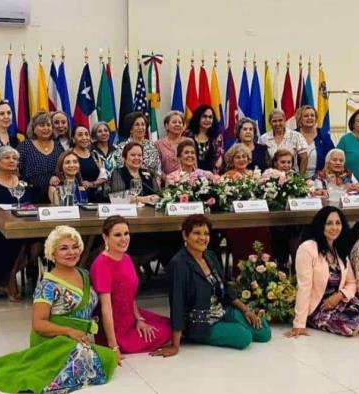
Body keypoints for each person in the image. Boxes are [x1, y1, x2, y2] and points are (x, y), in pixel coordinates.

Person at [0, 225, 118, 393]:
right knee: (86, 357)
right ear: (53, 253)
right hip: (52, 340)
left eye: (75, 247)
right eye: (64, 248)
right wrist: (69, 331)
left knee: (107, 357)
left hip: (76, 339)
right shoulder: (48, 285)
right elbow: (38, 324)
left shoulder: (84, 274)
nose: (71, 252)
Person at [151, 215, 271, 356]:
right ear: (185, 235)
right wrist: (175, 345)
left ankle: (233, 324)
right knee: (245, 338)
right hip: (201, 323)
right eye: (197, 233)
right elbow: (177, 303)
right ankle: (214, 333)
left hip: (222, 311)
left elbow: (225, 288)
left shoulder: (210, 256)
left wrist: (246, 310)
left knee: (264, 333)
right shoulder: (179, 264)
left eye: (206, 233)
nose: (203, 238)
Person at [286, 207, 359, 337]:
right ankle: (313, 320)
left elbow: (351, 282)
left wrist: (340, 295)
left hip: (339, 300)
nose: (334, 227)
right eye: (329, 223)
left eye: (338, 223)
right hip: (319, 306)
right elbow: (304, 286)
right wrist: (299, 324)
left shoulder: (339, 249)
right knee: (352, 329)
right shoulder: (308, 248)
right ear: (321, 225)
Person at [91, 216, 172, 355]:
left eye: (126, 233)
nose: (124, 239)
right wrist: (114, 346)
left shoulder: (126, 258)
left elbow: (130, 294)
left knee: (174, 325)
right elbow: (106, 309)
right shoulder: (102, 265)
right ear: (105, 237)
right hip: (116, 330)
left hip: (131, 316)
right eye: (117, 235)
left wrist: (139, 319)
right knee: (168, 332)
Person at [0, 146, 32, 302]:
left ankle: (9, 276)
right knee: (17, 244)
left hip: (23, 226)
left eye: (14, 158)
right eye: (7, 158)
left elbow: (29, 205)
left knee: (38, 243)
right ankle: (10, 282)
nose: (12, 161)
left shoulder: (22, 183)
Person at [222, 144, 273, 274]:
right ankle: (242, 276)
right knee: (242, 234)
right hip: (237, 222)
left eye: (244, 157)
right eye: (237, 157)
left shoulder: (254, 175)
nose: (241, 160)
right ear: (231, 160)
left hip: (256, 219)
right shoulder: (227, 177)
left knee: (265, 231)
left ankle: (264, 274)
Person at [17, 111, 64, 203]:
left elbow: (63, 169)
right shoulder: (25, 146)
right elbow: (18, 172)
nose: (46, 128)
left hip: (55, 196)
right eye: (42, 125)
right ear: (33, 128)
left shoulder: (58, 146)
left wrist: (57, 178)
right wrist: (47, 179)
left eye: (48, 125)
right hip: (30, 195)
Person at [270, 148, 304, 271]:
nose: (286, 165)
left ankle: (297, 268)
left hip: (293, 220)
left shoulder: (296, 176)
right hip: (275, 220)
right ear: (275, 163)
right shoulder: (268, 176)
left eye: (289, 162)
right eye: (283, 162)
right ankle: (281, 267)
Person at [259, 109, 308, 176]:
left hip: (291, 177)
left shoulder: (296, 136)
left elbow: (304, 158)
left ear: (285, 120)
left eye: (280, 120)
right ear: (270, 122)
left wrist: (301, 178)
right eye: (274, 121)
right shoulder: (263, 138)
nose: (278, 123)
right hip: (271, 178)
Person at [115, 112, 162, 177]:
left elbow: (157, 169)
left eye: (143, 124)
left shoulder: (152, 146)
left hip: (150, 183)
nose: (141, 127)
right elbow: (120, 168)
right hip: (128, 182)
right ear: (131, 129)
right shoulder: (121, 147)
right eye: (137, 125)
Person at [296, 105, 335, 179]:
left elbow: (332, 156)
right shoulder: (294, 135)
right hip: (295, 178)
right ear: (300, 119)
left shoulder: (323, 136)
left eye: (312, 115)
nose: (309, 118)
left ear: (316, 118)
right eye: (306, 116)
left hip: (319, 179)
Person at [72, 125, 107, 202]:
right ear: (73, 139)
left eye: (86, 134)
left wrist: (91, 184)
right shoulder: (70, 156)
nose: (84, 137)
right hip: (78, 198)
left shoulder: (94, 155)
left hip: (96, 198)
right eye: (80, 135)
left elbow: (104, 176)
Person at [185, 105, 224, 172]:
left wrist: (212, 176)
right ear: (198, 118)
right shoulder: (188, 135)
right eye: (204, 116)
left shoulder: (217, 138)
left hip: (211, 176)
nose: (208, 120)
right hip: (190, 175)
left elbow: (219, 160)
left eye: (210, 117)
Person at [155, 111, 188, 176]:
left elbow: (194, 165)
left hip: (188, 181)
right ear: (166, 126)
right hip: (167, 183)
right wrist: (167, 179)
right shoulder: (158, 144)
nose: (177, 124)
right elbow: (157, 168)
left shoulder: (188, 141)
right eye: (174, 122)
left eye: (180, 122)